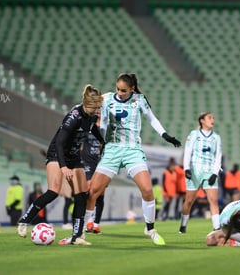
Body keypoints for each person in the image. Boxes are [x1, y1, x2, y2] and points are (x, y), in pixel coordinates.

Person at [84, 73, 181, 246]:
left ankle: (150, 228)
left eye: (123, 90)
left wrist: (165, 135)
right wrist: (99, 133)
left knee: (147, 189)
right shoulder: (106, 99)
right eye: (117, 89)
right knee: (93, 191)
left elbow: (151, 118)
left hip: (133, 150)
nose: (119, 93)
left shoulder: (139, 100)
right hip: (112, 149)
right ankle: (81, 231)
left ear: (132, 89)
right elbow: (102, 122)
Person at [17, 84, 104, 246]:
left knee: (81, 195)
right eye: (96, 107)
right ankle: (24, 220)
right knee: (53, 191)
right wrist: (63, 166)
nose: (98, 110)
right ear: (87, 104)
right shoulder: (74, 116)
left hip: (73, 156)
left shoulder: (91, 117)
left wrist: (103, 141)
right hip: (58, 154)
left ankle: (77, 236)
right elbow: (59, 142)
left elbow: (93, 131)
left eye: (99, 107)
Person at [179, 112, 222, 234]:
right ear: (202, 121)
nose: (212, 120)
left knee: (213, 200)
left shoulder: (216, 137)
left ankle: (216, 228)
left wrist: (215, 173)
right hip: (195, 170)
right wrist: (186, 168)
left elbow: (218, 155)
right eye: (209, 118)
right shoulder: (194, 134)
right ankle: (183, 225)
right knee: (189, 201)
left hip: (209, 170)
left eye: (213, 117)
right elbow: (188, 151)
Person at [84, 117, 105, 234]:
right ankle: (89, 221)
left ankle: (96, 224)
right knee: (90, 190)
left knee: (100, 193)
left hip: (102, 162)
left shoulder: (107, 126)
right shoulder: (89, 125)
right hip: (88, 162)